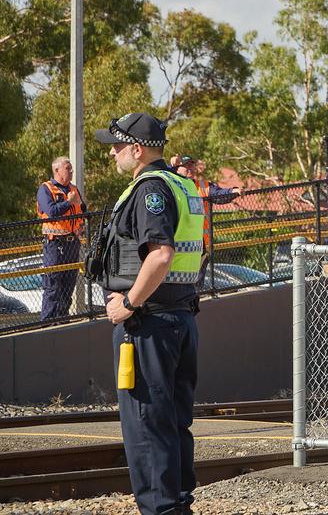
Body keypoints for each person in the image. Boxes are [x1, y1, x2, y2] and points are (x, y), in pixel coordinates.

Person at [93, 113, 205, 515]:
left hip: (148, 324)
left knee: (146, 423)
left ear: (137, 149)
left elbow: (160, 255)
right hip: (179, 319)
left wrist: (128, 303)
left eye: (118, 146)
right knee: (173, 421)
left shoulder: (149, 189)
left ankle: (160, 509)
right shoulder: (183, 185)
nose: (113, 153)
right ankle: (176, 504)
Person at [171, 154, 240, 285]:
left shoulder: (203, 187)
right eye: (186, 166)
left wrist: (233, 191)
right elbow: (157, 174)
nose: (190, 168)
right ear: (177, 169)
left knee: (196, 285)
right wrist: (170, 167)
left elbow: (219, 195)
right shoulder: (173, 185)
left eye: (192, 165)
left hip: (201, 246)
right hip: (180, 246)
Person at [35, 156, 87, 320]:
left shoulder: (73, 189)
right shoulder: (46, 189)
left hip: (73, 243)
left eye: (71, 168)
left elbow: (83, 210)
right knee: (53, 286)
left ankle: (63, 320)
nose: (71, 172)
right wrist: (69, 202)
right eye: (68, 168)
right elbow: (51, 212)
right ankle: (48, 322)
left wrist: (82, 224)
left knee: (68, 284)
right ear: (57, 170)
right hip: (55, 244)